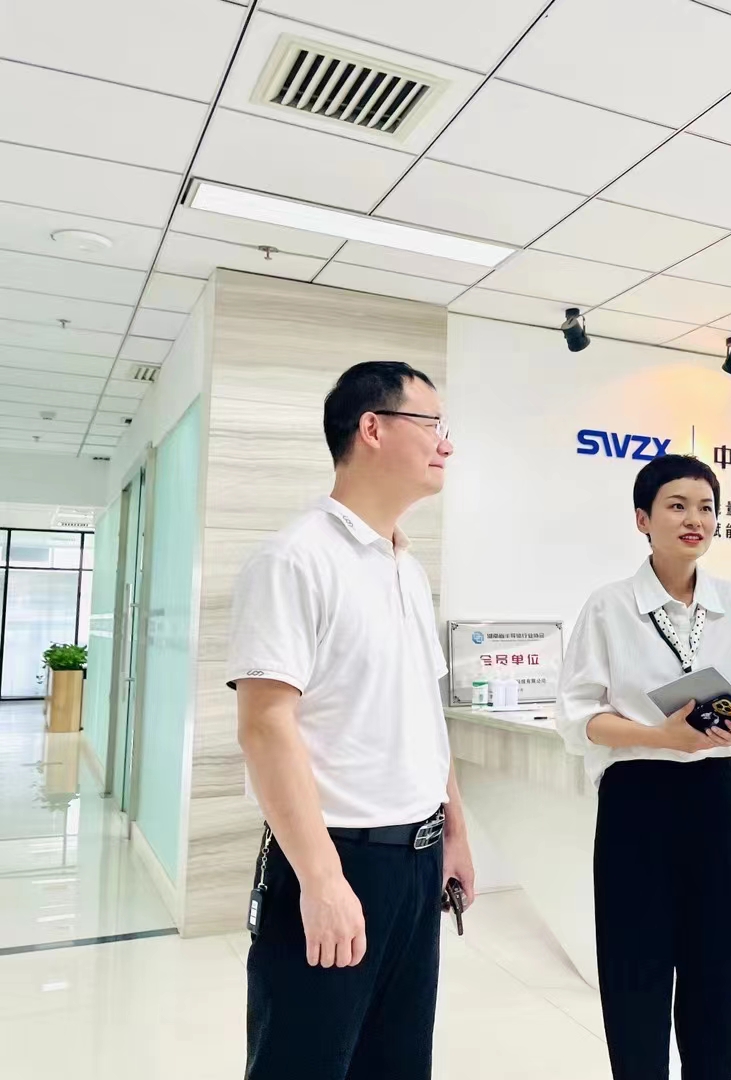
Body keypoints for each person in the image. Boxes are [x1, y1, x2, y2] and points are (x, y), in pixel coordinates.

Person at [228, 361, 475, 1080]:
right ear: (372, 427)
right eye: (432, 424)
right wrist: (322, 879)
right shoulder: (294, 559)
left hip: (417, 862)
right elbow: (265, 726)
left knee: (398, 1062)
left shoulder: (406, 567)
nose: (446, 444)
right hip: (335, 858)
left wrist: (454, 832)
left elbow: (423, 714)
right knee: (304, 1061)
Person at [557, 454, 731, 1080]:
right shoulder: (610, 606)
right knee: (635, 963)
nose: (694, 519)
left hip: (715, 791)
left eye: (706, 507)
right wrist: (660, 736)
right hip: (638, 795)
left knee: (723, 962)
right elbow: (578, 716)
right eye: (677, 506)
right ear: (642, 519)